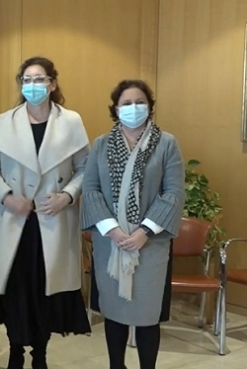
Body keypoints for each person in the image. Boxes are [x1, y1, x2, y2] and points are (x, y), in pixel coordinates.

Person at [0, 57, 92, 369]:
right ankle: (15, 351)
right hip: (14, 219)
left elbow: (85, 169)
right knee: (15, 290)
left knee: (46, 291)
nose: (32, 86)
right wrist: (6, 196)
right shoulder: (5, 121)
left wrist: (67, 196)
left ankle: (40, 354)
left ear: (52, 84)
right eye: (26, 80)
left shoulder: (70, 121)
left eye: (39, 79)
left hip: (51, 219)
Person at [81, 80, 185, 369]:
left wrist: (144, 231)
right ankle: (117, 365)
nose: (133, 108)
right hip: (110, 243)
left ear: (150, 106)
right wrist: (113, 230)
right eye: (126, 103)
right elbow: (90, 190)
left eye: (139, 101)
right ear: (115, 108)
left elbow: (173, 192)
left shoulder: (167, 144)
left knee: (147, 315)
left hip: (150, 245)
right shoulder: (101, 144)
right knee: (114, 312)